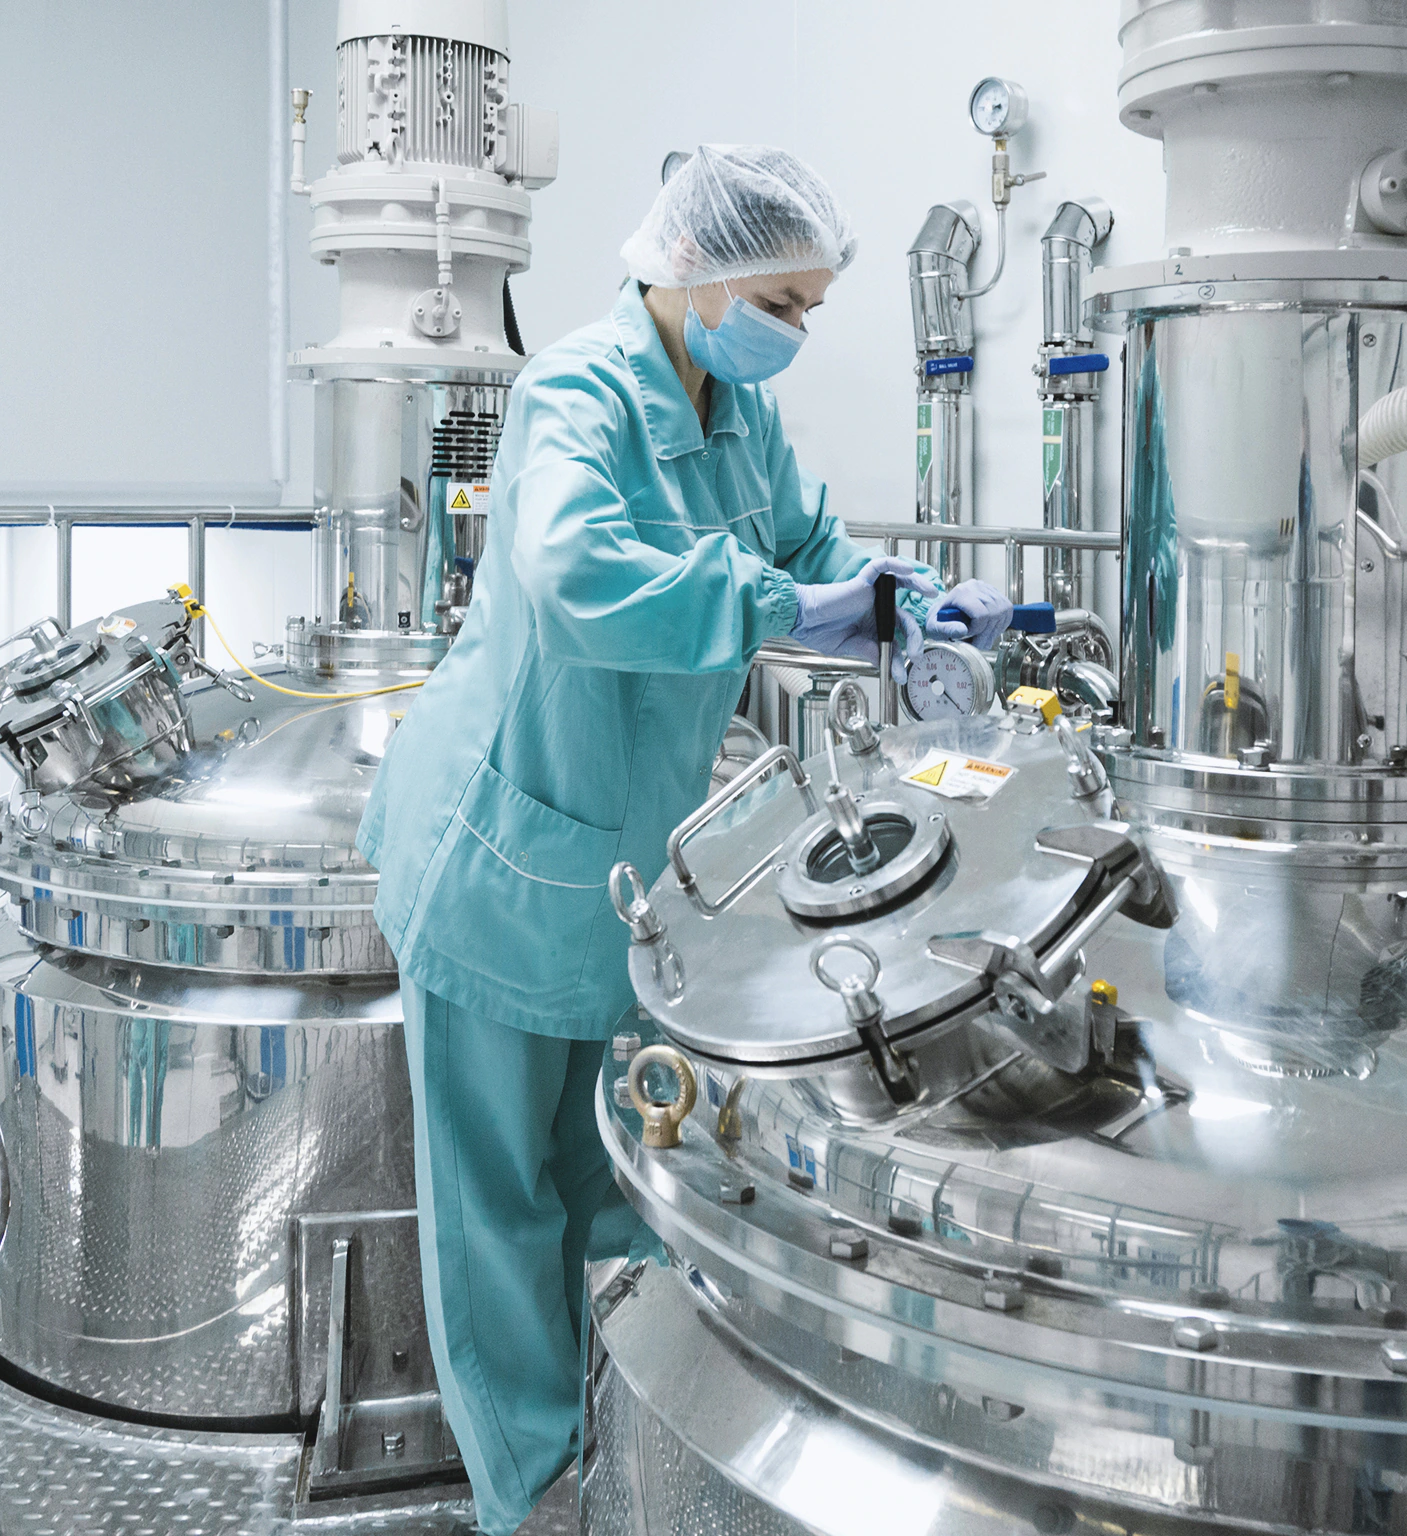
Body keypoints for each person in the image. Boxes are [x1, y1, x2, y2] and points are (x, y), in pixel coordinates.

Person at [357, 144, 1011, 1535]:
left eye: (809, 308)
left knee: (616, 1179)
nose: (793, 330)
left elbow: (814, 552)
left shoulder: (733, 417)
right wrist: (779, 609)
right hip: (497, 857)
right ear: (696, 272)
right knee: (496, 1214)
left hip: (619, 877)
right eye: (783, 299)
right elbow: (579, 576)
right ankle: (529, 1497)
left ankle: (628, 1451)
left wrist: (911, 605)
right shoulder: (575, 392)